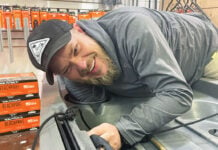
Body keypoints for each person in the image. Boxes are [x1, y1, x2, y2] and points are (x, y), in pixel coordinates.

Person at [27, 7, 218, 150]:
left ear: (80, 30)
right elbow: (96, 110)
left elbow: (178, 94)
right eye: (67, 68)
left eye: (75, 50)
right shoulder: (74, 75)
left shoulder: (134, 28)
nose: (82, 65)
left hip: (205, 49)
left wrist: (123, 130)